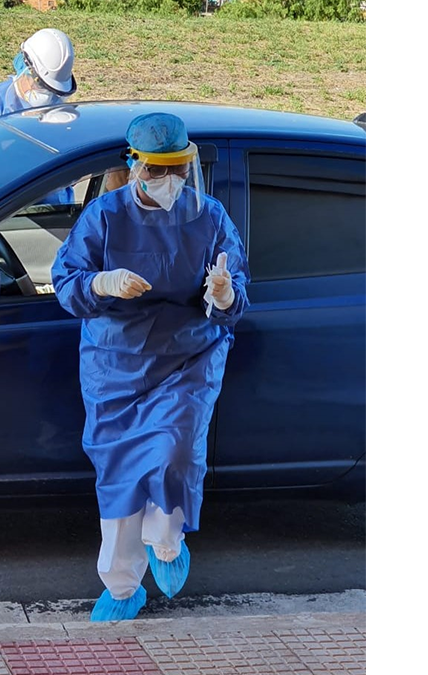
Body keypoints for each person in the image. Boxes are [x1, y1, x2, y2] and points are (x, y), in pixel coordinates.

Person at [50, 112, 251, 622]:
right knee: (119, 473)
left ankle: (166, 540)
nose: (169, 181)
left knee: (173, 452)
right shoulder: (103, 217)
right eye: (157, 170)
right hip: (115, 363)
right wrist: (101, 283)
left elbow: (236, 293)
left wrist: (223, 294)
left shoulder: (209, 218)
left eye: (177, 169)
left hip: (188, 358)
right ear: (135, 166)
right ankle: (122, 587)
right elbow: (67, 281)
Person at [0, 28, 78, 209]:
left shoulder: (59, 110)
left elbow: (72, 167)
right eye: (40, 85)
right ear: (25, 67)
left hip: (47, 213)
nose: (47, 95)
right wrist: (5, 143)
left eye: (53, 91)